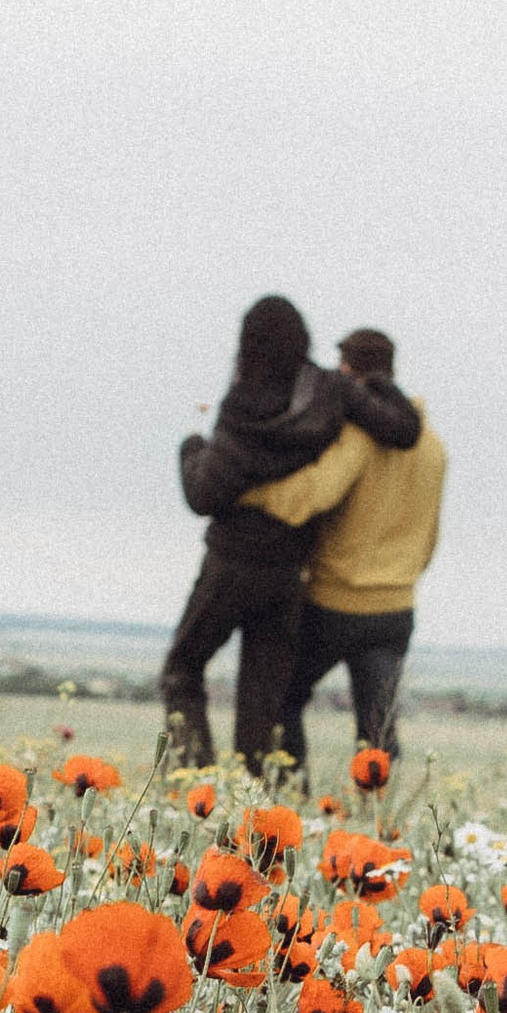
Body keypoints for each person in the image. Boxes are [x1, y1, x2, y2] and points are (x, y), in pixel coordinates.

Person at [162, 297, 420, 766]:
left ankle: (197, 783)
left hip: (231, 563)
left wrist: (191, 447)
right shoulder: (331, 392)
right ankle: (253, 803)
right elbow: (403, 429)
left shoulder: (240, 412)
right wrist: (377, 378)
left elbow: (202, 495)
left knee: (182, 669)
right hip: (288, 572)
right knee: (261, 699)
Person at [244, 325, 447, 772]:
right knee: (377, 733)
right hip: (396, 609)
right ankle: (376, 821)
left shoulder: (359, 438)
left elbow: (311, 497)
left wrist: (246, 492)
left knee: (282, 702)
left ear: (351, 373)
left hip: (334, 603)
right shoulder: (433, 447)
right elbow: (430, 537)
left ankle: (289, 809)